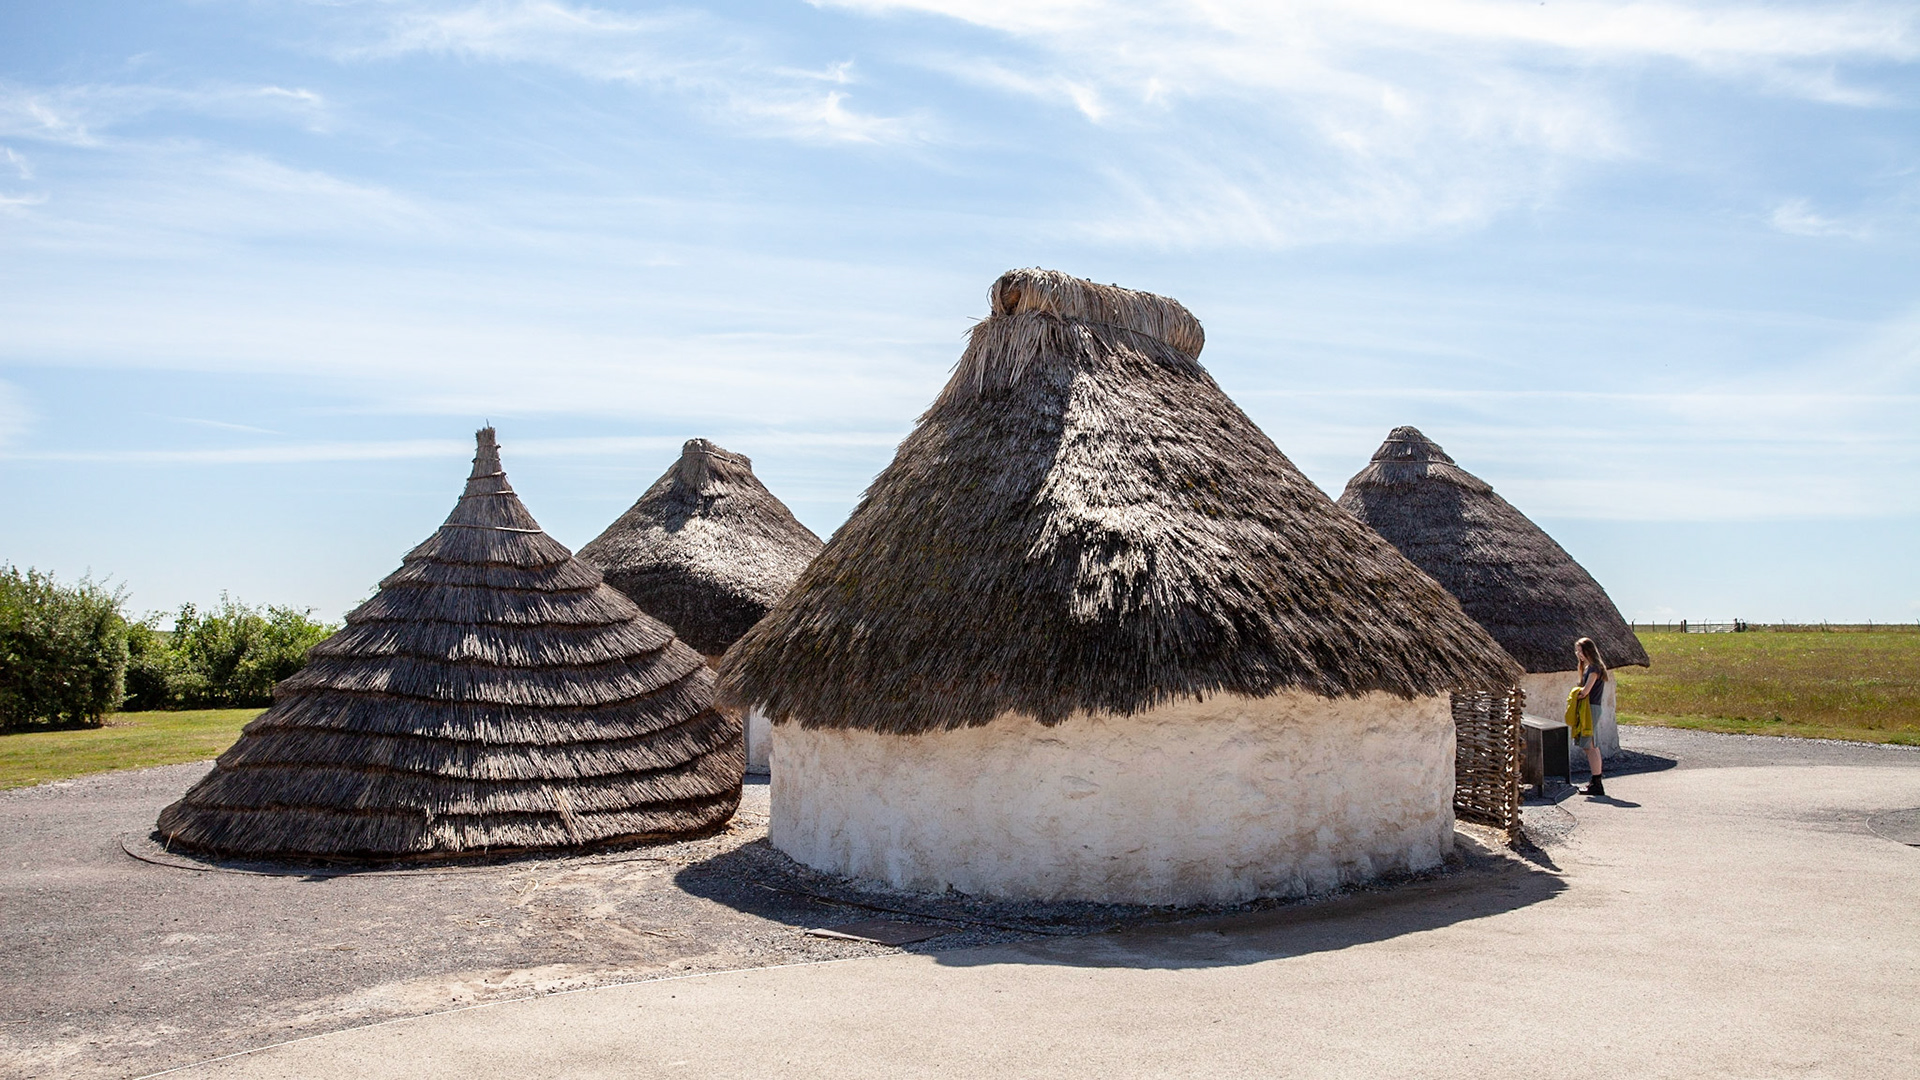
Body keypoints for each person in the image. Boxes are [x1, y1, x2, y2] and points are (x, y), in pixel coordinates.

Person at [1574, 637, 1608, 796]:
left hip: (1591, 708)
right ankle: (1595, 781)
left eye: (1581, 651)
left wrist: (1574, 695)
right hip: (1590, 708)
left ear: (1588, 651)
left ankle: (1597, 782)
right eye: (1577, 651)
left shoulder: (1594, 669)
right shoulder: (1589, 667)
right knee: (1591, 745)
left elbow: (1585, 691)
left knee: (1589, 745)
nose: (1579, 654)